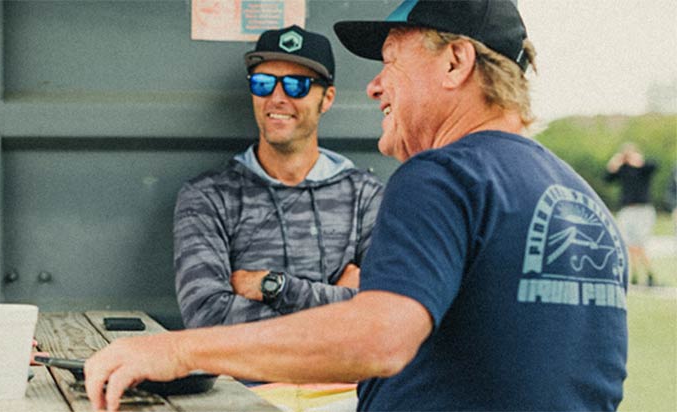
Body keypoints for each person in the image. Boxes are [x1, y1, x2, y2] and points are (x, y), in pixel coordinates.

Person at [83, 1, 627, 410]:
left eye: (391, 60)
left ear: (456, 62)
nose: (374, 86)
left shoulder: (441, 176)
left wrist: (179, 351)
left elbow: (380, 336)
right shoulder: (585, 202)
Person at [174, 25, 383, 329]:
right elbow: (207, 315)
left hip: (341, 378)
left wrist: (273, 286)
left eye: (296, 85)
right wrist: (341, 299)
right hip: (240, 379)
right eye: (262, 83)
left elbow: (383, 312)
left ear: (327, 99)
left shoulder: (366, 197)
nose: (277, 98)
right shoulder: (209, 196)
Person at [605, 142, 658, 286]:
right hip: (627, 209)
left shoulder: (643, 169)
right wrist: (614, 162)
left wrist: (638, 162)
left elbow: (654, 165)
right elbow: (608, 178)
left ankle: (648, 273)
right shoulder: (623, 170)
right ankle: (636, 274)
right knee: (630, 244)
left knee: (639, 243)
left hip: (643, 209)